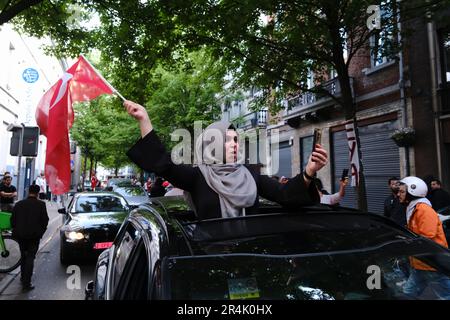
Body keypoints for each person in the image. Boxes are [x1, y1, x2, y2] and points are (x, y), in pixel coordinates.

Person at [124, 100, 327, 219]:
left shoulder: (251, 173)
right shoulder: (197, 176)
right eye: (227, 140)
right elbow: (163, 163)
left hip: (251, 260)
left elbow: (285, 195)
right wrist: (144, 120)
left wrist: (309, 171)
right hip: (212, 265)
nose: (234, 144)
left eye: (236, 140)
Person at [397, 176, 450, 299]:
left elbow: (427, 236)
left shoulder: (424, 210)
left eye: (402, 191)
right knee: (408, 294)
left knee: (446, 295)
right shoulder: (414, 207)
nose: (398, 194)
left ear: (413, 192)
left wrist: (406, 242)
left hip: (432, 264)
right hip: (421, 263)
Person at [10, 184, 49, 291]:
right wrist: (40, 232)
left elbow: (12, 220)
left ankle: (23, 278)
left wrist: (16, 230)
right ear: (37, 193)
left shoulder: (19, 204)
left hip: (20, 235)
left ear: (28, 191)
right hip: (34, 236)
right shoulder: (41, 204)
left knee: (23, 256)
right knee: (30, 257)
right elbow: (45, 220)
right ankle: (27, 283)